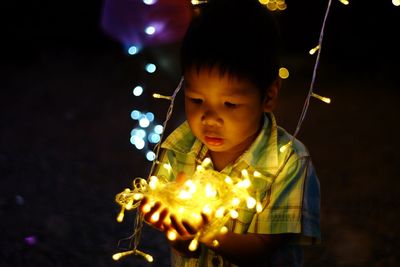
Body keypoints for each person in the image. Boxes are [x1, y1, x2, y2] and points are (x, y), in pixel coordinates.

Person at [140, 0, 321, 266]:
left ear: (269, 95)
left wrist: (207, 231)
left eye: (230, 104)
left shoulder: (288, 162)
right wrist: (177, 229)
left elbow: (262, 250)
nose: (210, 119)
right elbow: (184, 248)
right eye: (197, 100)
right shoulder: (179, 148)